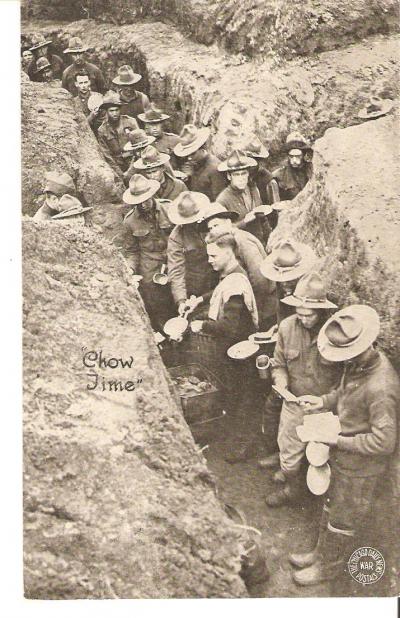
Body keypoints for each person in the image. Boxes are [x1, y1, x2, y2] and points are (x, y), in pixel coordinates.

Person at [292, 305, 399, 586]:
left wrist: (335, 440)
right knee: (330, 506)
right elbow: (343, 392)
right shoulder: (358, 364)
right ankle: (318, 554)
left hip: (361, 470)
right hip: (343, 458)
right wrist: (322, 401)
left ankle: (328, 568)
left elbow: (384, 442)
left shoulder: (382, 388)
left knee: (343, 519)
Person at [265, 272, 342, 507]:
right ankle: (291, 483)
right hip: (293, 403)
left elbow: (345, 382)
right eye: (299, 313)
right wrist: (281, 382)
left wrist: (325, 401)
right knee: (288, 453)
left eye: (309, 315)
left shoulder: (336, 335)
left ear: (321, 312)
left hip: (323, 408)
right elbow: (278, 364)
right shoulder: (287, 328)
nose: (304, 319)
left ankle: (300, 490)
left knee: (318, 457)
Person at [257, 240, 318, 468]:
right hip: (287, 352)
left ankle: (291, 462)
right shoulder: (282, 292)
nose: (284, 285)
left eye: (289, 280)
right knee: (272, 406)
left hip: (306, 368)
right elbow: (285, 320)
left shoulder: (311, 291)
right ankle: (279, 452)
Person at [199, 203, 276, 330]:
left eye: (216, 225)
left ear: (228, 222)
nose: (213, 230)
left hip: (265, 306)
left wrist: (256, 310)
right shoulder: (226, 243)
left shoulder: (242, 240)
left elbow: (260, 279)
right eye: (210, 228)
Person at [122, 174, 175, 331]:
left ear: (152, 194)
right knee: (157, 306)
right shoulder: (129, 221)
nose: (143, 204)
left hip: (174, 260)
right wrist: (130, 269)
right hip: (150, 269)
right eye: (139, 201)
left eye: (146, 199)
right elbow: (132, 251)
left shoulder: (169, 208)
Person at [167, 191, 216, 315]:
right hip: (196, 287)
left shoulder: (212, 222)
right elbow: (176, 271)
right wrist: (181, 300)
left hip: (217, 276)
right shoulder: (176, 237)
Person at [216, 149, 271, 246]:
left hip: (260, 243)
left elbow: (263, 220)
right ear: (229, 176)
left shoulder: (253, 189)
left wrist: (270, 238)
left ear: (248, 173)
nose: (241, 178)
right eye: (236, 174)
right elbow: (222, 233)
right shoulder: (222, 200)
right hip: (241, 248)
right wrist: (244, 221)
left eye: (243, 173)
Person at [173, 125, 226, 201]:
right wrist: (188, 178)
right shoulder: (194, 163)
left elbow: (219, 199)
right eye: (187, 155)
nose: (189, 158)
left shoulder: (214, 169)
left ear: (202, 148)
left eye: (193, 153)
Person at [97, 92, 139, 175]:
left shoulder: (130, 122)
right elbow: (107, 156)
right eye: (111, 111)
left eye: (117, 110)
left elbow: (140, 144)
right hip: (117, 166)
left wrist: (133, 167)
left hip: (134, 161)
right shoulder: (102, 130)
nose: (115, 113)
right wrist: (119, 174)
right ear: (106, 112)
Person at [244, 136, 278, 229]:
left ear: (258, 161)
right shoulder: (242, 176)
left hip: (264, 225)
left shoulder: (268, 181)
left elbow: (275, 209)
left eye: (253, 159)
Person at [267, 132, 313, 203]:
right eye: (291, 156)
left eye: (298, 156)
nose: (294, 160)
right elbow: (275, 203)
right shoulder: (278, 176)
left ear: (303, 155)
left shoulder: (312, 171)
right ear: (288, 156)